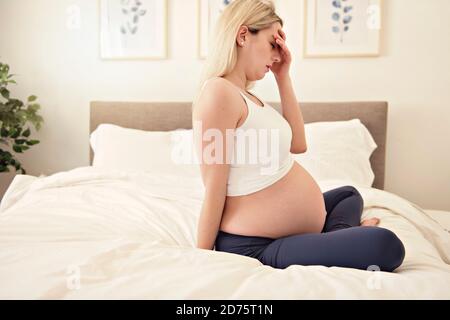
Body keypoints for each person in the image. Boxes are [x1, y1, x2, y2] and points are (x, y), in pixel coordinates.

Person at [191, 0, 405, 272]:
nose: (278, 55)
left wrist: (283, 77)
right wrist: (200, 258)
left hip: (282, 233)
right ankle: (334, 239)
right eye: (273, 43)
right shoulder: (217, 93)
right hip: (255, 245)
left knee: (349, 195)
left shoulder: (249, 97)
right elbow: (214, 186)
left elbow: (298, 144)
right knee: (386, 246)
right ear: (243, 35)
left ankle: (327, 239)